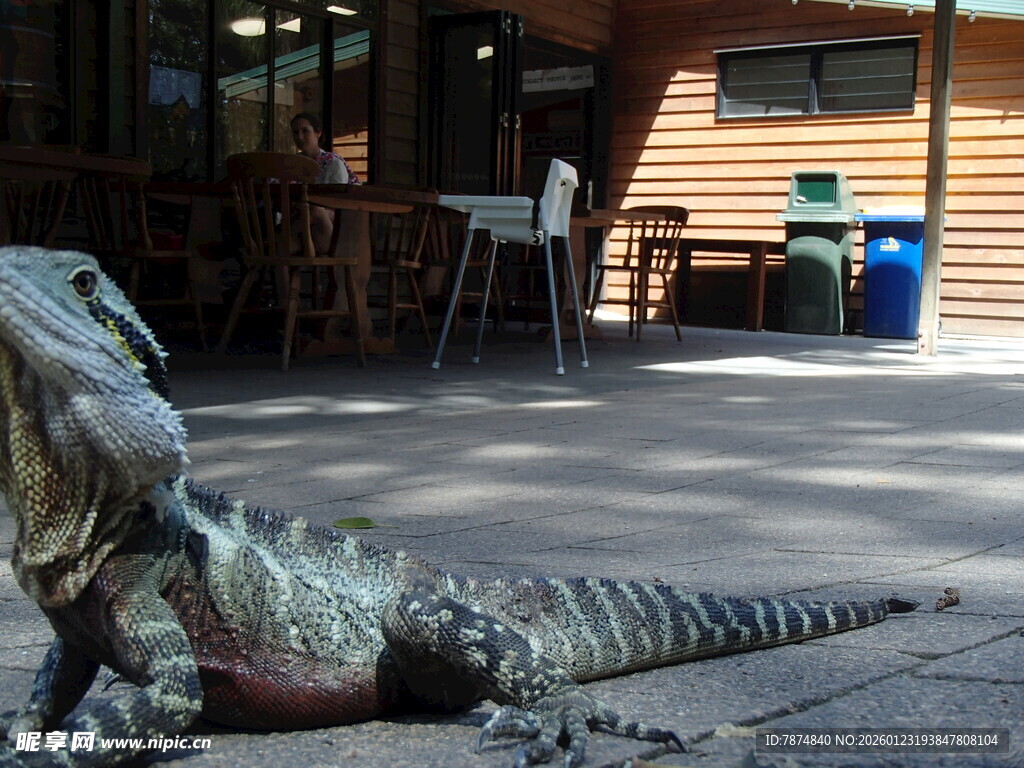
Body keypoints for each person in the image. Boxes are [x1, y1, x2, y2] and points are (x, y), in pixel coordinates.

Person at [289, 111, 359, 253]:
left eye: (305, 131)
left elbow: (338, 204)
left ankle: (276, 244)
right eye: (295, 132)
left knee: (315, 210)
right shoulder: (291, 163)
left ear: (318, 133)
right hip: (302, 226)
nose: (299, 137)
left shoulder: (333, 163)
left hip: (331, 229)